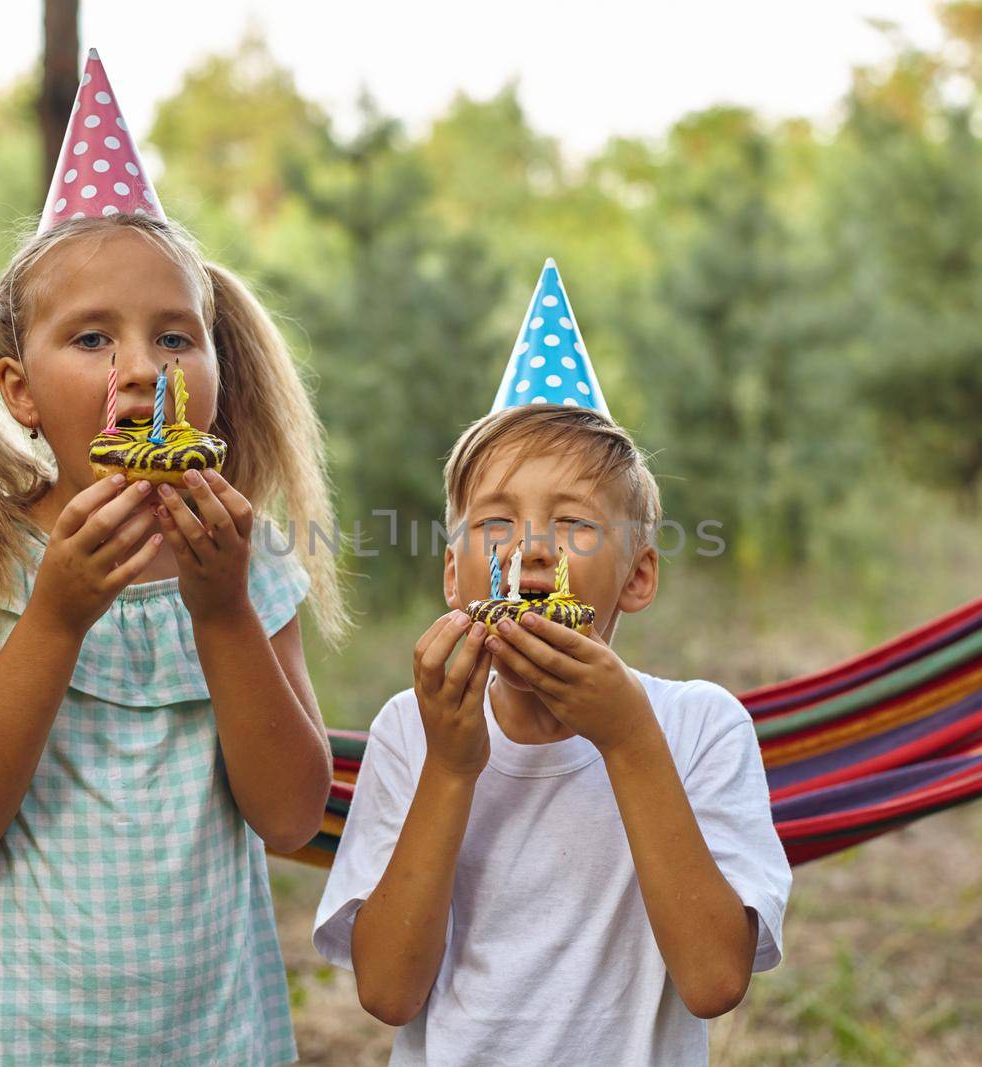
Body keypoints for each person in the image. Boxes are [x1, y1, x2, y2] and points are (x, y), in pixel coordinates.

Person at [0, 51, 344, 1065]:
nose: (139, 373)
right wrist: (57, 616)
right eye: (90, 339)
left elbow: (293, 811)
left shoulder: (244, 562)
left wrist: (221, 613)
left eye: (174, 338)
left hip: (209, 1036)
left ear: (215, 366)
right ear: (18, 388)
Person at [314, 261, 791, 1065]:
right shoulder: (411, 730)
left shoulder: (699, 727)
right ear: (451, 575)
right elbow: (388, 993)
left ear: (638, 576)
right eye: (494, 524)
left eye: (571, 523)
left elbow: (715, 979)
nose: (530, 548)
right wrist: (453, 765)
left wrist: (629, 739)